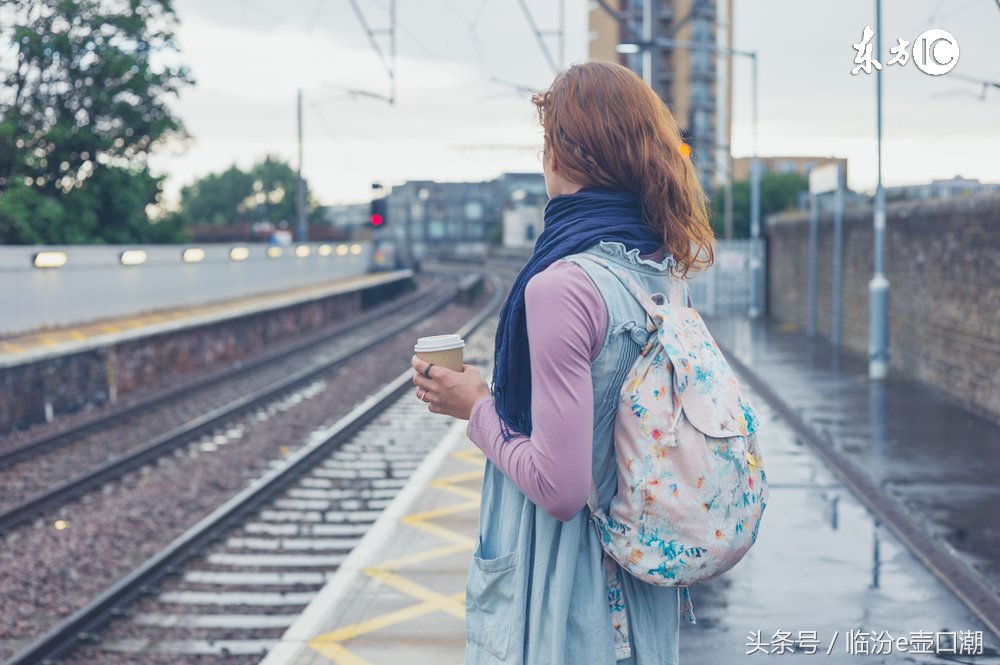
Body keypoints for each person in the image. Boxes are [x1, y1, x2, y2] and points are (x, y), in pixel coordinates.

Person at [410, 61, 715, 665]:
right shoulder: (657, 275)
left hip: (570, 599)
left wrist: (476, 407)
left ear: (564, 152)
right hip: (639, 585)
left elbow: (560, 488)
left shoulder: (562, 287)